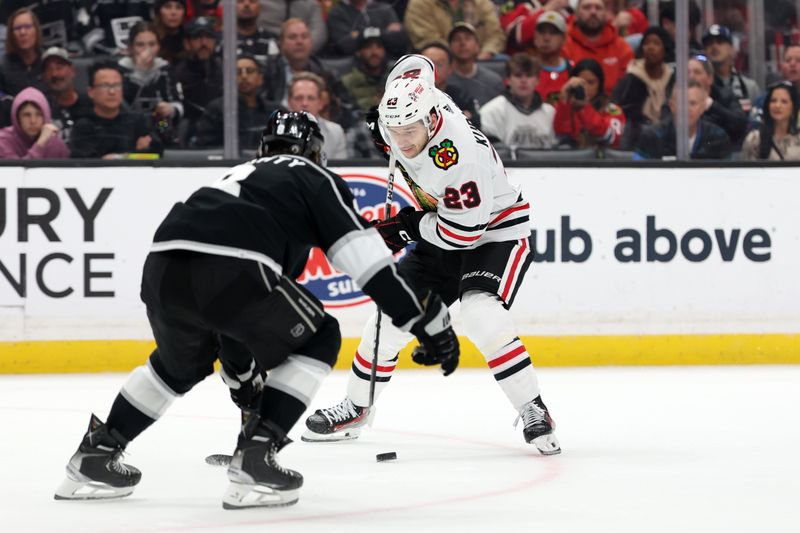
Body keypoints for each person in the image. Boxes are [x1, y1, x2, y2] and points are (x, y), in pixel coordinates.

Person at [54, 110, 459, 508]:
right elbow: (367, 262)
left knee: (175, 367)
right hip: (231, 265)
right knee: (319, 336)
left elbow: (235, 320)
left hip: (162, 264)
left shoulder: (241, 175)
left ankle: (97, 454)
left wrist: (245, 384)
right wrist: (421, 319)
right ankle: (257, 455)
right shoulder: (314, 177)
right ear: (316, 152)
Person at [303, 54, 561, 456]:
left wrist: (407, 227)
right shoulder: (408, 109)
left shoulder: (458, 154)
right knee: (391, 314)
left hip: (495, 232)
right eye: (393, 130)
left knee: (480, 313)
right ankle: (357, 407)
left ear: (431, 120)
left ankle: (533, 408)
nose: (401, 140)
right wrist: (387, 112)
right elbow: (416, 62)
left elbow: (463, 233)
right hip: (442, 223)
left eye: (409, 130)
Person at [69, 60, 162, 159]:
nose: (112, 91)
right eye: (105, 85)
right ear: (91, 92)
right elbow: (83, 162)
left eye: (117, 85)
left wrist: (162, 121)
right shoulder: (83, 125)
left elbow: (158, 151)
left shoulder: (137, 120)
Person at [193, 55, 281, 149]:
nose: (244, 76)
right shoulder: (217, 110)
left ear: (260, 78)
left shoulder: (275, 111)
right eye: (237, 72)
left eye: (250, 71)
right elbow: (205, 149)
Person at [119, 22, 184, 146]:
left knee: (164, 127)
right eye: (140, 45)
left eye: (152, 44)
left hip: (158, 122)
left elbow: (178, 103)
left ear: (158, 46)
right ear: (131, 47)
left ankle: (168, 146)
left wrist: (171, 109)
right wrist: (139, 73)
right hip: (129, 126)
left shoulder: (165, 68)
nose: (146, 50)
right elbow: (122, 104)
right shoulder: (121, 69)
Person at [633, 80, 731, 160]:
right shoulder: (652, 136)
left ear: (703, 107)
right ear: (672, 106)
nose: (686, 109)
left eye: (692, 103)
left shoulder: (718, 137)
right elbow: (637, 175)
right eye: (682, 103)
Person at [612, 26, 674, 149]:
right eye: (646, 43)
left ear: (665, 49)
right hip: (635, 139)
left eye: (656, 43)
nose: (650, 47)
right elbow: (617, 109)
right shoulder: (631, 79)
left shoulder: (672, 79)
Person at [480, 53, 556, 149]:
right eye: (518, 75)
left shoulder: (550, 112)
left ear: (537, 80)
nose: (523, 80)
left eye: (529, 76)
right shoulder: (492, 111)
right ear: (508, 80)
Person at [562, 0, 633, 95]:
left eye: (598, 8)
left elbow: (626, 89)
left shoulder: (621, 47)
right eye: (587, 7)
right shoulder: (563, 43)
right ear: (576, 13)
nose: (593, 12)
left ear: (606, 13)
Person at [554, 58, 625, 148]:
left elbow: (610, 138)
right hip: (572, 159)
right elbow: (561, 136)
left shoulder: (612, 110)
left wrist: (584, 108)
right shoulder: (565, 107)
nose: (586, 87)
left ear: (600, 84)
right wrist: (564, 104)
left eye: (590, 82)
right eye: (581, 83)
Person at [682, 54, 748, 148]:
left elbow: (741, 125)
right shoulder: (676, 98)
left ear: (710, 78)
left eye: (697, 72)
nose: (691, 76)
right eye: (687, 73)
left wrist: (712, 106)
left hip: (720, 153)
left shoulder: (725, 96)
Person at [403, 0, 506, 58]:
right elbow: (427, 38)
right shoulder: (419, 3)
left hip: (479, 57)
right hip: (439, 58)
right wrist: (458, 52)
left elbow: (495, 34)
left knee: (502, 61)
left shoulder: (482, 3)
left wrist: (486, 52)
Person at [173, 17, 223, 134]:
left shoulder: (225, 71)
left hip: (221, 132)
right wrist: (165, 132)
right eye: (197, 37)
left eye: (209, 37)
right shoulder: (175, 74)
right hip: (188, 135)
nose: (204, 43)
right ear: (187, 43)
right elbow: (162, 119)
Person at [287, 72, 347, 160]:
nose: (305, 103)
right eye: (299, 98)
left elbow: (341, 169)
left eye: (311, 98)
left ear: (320, 102)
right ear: (289, 102)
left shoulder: (336, 132)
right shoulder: (274, 132)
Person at [420, 41, 480, 128]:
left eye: (439, 64)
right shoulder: (405, 95)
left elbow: (476, 125)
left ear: (450, 68)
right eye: (428, 64)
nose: (433, 69)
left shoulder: (462, 97)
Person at [701, 24, 759, 114]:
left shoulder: (749, 87)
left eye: (720, 42)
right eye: (709, 44)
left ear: (732, 48)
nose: (714, 47)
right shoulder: (701, 85)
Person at [41, 46, 92, 145]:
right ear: (43, 77)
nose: (54, 74)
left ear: (73, 71)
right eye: (49, 69)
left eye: (59, 67)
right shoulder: (40, 109)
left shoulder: (91, 104)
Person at [0, 86, 69, 158]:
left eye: (39, 115)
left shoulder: (55, 143)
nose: (33, 121)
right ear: (17, 118)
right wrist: (40, 144)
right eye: (26, 115)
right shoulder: (3, 141)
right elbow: (17, 169)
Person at [326, 0, 409, 58]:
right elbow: (345, 46)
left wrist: (359, 35)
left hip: (387, 64)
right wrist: (385, 32)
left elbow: (400, 40)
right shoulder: (337, 13)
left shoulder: (385, 9)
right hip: (354, 68)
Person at [447, 22, 504, 107]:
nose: (462, 43)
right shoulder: (443, 81)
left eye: (468, 38)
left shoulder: (493, 82)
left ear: (477, 46)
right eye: (456, 39)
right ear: (450, 47)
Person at [742, 82, 800, 161]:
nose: (777, 105)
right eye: (773, 101)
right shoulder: (754, 139)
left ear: (793, 108)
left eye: (784, 102)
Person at [340, 27, 390, 114]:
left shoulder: (395, 78)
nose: (374, 52)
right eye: (368, 47)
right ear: (358, 52)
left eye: (379, 47)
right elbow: (346, 116)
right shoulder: (347, 82)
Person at [0, 7, 46, 96]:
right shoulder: (3, 67)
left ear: (36, 30)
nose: (23, 32)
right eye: (17, 28)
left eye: (28, 27)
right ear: (11, 34)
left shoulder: (48, 62)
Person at [257, 0, 327, 54]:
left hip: (303, 54)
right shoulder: (259, 3)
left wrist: (301, 48)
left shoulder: (311, 5)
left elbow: (319, 33)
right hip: (264, 49)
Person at [532, 11, 571, 106]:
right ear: (535, 36)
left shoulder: (573, 70)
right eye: (542, 32)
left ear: (564, 38)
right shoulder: (524, 69)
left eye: (553, 33)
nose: (546, 38)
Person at [236, 0, 278, 67]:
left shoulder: (271, 40)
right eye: (241, 1)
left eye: (252, 1)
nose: (246, 4)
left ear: (259, 8)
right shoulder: (222, 40)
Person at [153, 0, 189, 64]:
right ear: (158, 11)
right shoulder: (149, 37)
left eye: (178, 7)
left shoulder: (189, 38)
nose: (173, 12)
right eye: (167, 7)